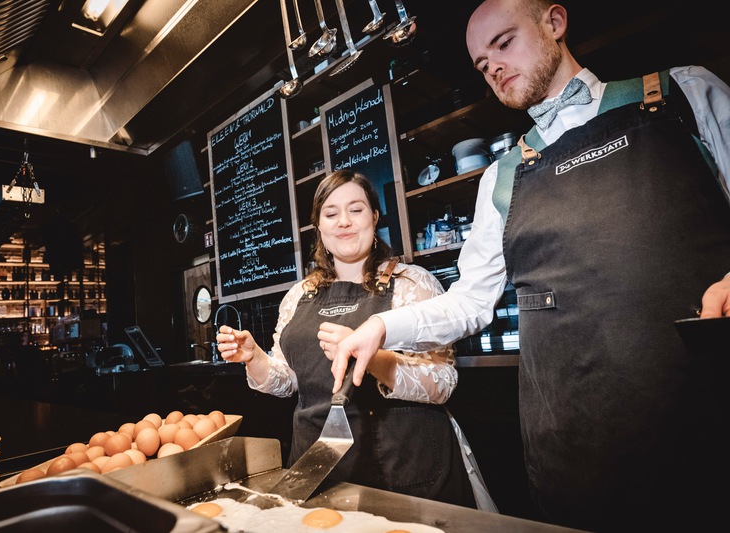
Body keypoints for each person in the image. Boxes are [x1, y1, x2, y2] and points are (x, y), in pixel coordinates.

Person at [328, 1, 730, 531]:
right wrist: (381, 325)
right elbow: (471, 303)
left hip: (706, 432)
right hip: (576, 452)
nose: (493, 67)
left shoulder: (683, 94)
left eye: (504, 43)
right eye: (481, 64)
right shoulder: (501, 176)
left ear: (554, 23)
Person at [217, 170, 490, 509]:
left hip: (405, 468)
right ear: (319, 226)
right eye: (331, 213)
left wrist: (373, 359)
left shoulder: (412, 283)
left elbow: (443, 383)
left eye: (356, 210)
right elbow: (287, 382)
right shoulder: (298, 295)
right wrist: (254, 357)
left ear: (374, 217)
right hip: (317, 470)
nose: (343, 221)